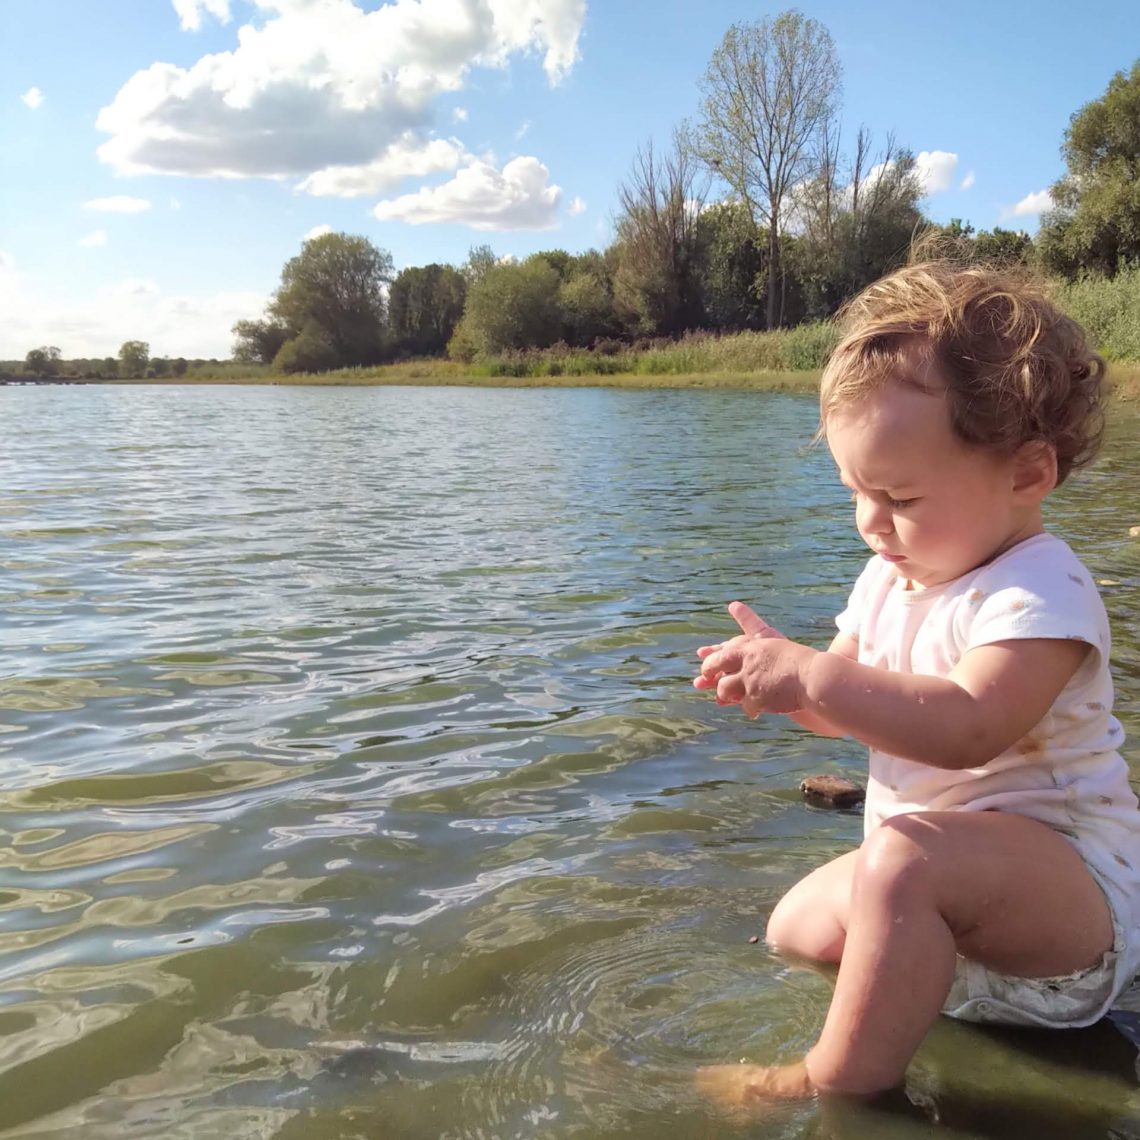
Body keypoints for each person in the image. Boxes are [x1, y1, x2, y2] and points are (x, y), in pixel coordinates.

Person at [693, 260, 1140, 1107]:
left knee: (899, 866)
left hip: (1068, 918)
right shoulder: (888, 575)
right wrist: (786, 686)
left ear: (1026, 474)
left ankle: (833, 1085)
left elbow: (970, 725)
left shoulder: (1041, 589)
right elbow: (848, 712)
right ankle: (905, 1000)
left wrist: (815, 673)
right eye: (855, 492)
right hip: (953, 901)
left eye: (898, 495)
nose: (871, 522)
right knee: (794, 928)